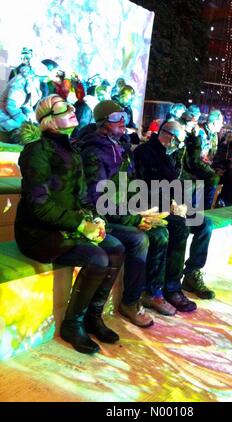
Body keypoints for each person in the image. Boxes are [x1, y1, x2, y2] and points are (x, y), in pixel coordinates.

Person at [14, 94, 126, 354]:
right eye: (62, 107)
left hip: (67, 225)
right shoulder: (36, 151)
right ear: (49, 121)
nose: (72, 109)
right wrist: (79, 224)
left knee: (116, 248)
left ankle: (92, 317)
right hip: (38, 233)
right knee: (97, 258)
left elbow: (83, 195)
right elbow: (38, 204)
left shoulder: (71, 148)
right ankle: (72, 324)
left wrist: (91, 218)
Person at [78, 100, 169, 319]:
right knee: (139, 239)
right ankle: (130, 302)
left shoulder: (120, 147)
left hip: (119, 211)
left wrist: (141, 209)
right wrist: (132, 219)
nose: (122, 121)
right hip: (100, 218)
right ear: (102, 123)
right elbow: (98, 200)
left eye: (123, 117)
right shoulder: (94, 152)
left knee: (161, 233)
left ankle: (152, 291)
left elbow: (126, 188)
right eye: (115, 117)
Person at [134, 120, 215, 300]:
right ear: (169, 137)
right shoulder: (144, 153)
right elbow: (143, 187)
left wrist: (179, 203)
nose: (179, 146)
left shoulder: (172, 154)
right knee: (180, 226)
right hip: (152, 207)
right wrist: (169, 204)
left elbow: (179, 178)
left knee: (206, 225)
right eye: (178, 142)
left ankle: (192, 272)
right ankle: (171, 285)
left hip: (171, 205)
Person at [182, 109, 224, 210]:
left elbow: (211, 155)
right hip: (193, 168)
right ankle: (204, 209)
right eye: (221, 122)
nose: (222, 125)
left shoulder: (213, 134)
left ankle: (204, 208)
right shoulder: (200, 132)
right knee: (213, 177)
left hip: (203, 166)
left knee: (215, 176)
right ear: (215, 122)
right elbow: (194, 159)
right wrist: (210, 170)